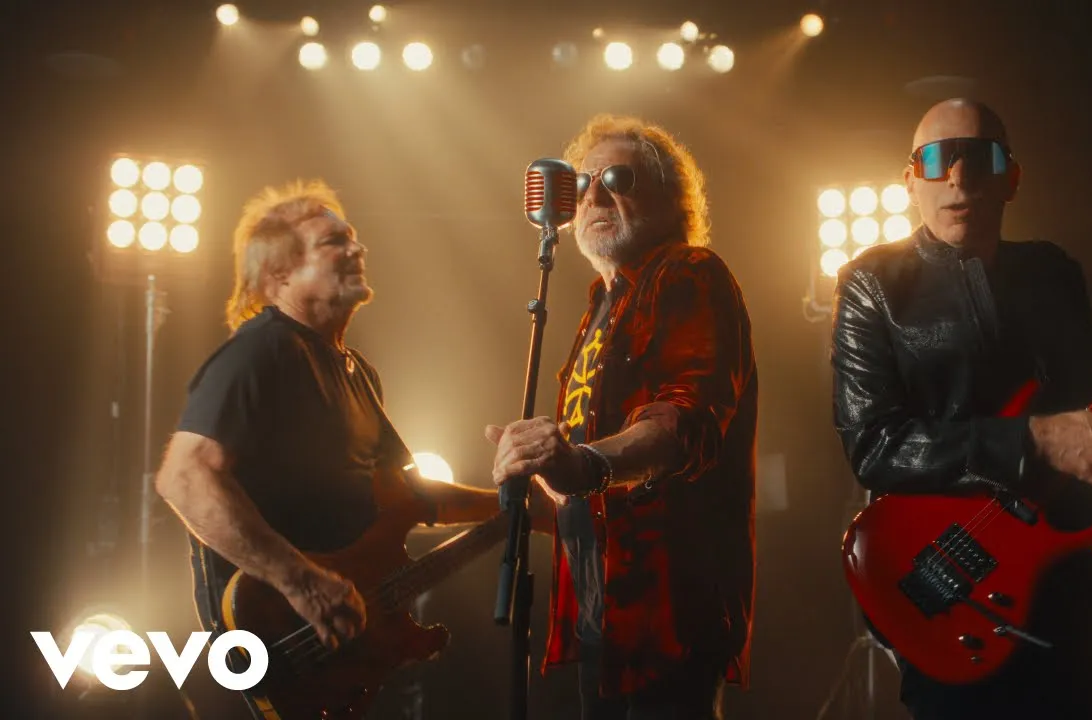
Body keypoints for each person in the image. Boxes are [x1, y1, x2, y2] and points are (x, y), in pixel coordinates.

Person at [830, 98, 1092, 720]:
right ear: (910, 180)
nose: (958, 176)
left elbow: (1086, 439)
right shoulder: (871, 283)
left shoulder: (1054, 273)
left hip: (1065, 576)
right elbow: (873, 446)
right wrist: (1034, 438)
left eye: (979, 157)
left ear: (1012, 178)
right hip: (951, 581)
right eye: (936, 159)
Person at [154, 179, 501, 719]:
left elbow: (408, 497)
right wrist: (299, 582)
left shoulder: (357, 371)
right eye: (334, 242)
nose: (357, 249)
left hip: (343, 655)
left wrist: (513, 504)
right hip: (274, 650)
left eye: (353, 238)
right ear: (280, 274)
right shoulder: (261, 351)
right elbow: (183, 477)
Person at [485, 114, 758, 719]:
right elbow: (576, 471)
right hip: (599, 611)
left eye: (618, 179)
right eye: (583, 183)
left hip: (666, 610)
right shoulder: (600, 306)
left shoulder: (689, 273)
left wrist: (582, 465)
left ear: (671, 200)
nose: (595, 196)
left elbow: (683, 423)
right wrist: (533, 464)